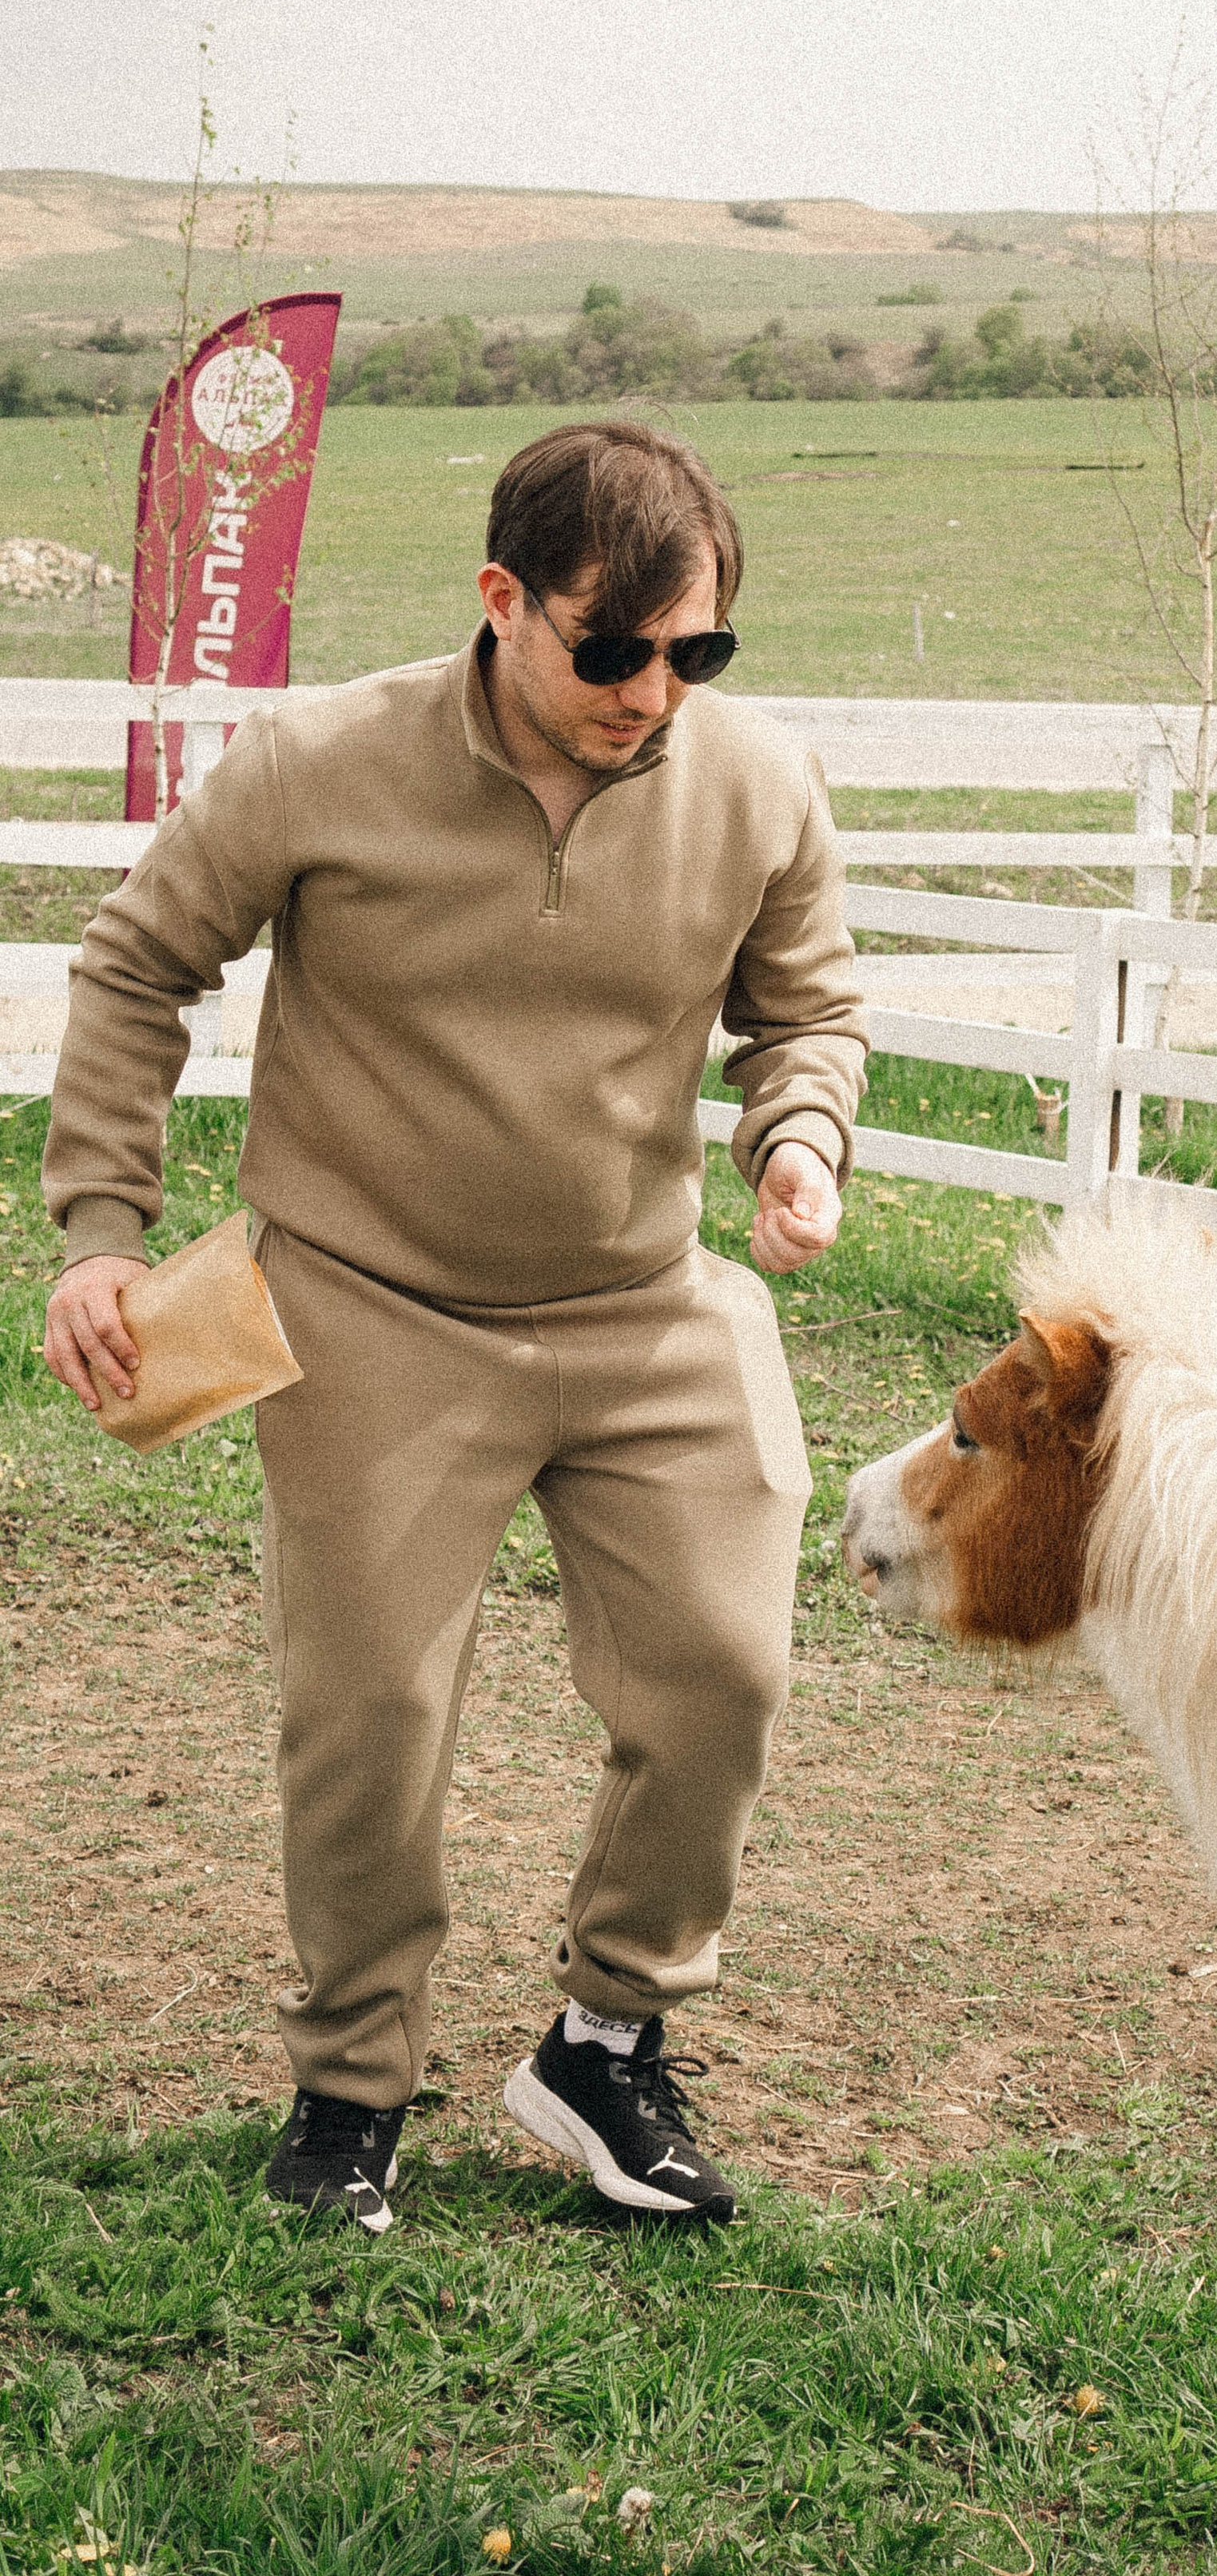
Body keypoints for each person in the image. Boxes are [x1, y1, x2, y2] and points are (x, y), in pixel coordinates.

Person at [41, 421, 865, 2236]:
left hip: (644, 1301)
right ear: (502, 603)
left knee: (725, 1670)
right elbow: (134, 965)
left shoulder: (757, 781)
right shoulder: (318, 763)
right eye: (608, 648)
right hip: (367, 1306)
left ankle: (604, 2043)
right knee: (373, 1715)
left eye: (693, 654)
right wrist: (104, 1230)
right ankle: (350, 2092)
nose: (650, 692)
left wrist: (797, 1134)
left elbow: (805, 1015)